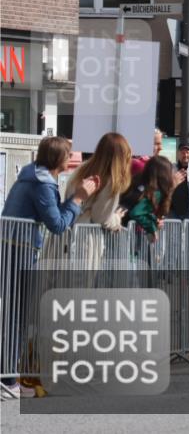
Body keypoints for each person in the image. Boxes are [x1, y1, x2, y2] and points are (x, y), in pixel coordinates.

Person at [1, 137, 99, 398]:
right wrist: (78, 199)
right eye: (69, 155)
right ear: (58, 159)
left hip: (15, 247)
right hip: (19, 251)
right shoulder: (42, 184)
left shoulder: (33, 177)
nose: (72, 159)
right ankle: (7, 380)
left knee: (17, 315)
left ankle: (9, 377)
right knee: (18, 315)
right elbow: (57, 224)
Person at [126, 156, 174, 241]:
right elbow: (136, 212)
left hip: (122, 232)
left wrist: (154, 221)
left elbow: (142, 211)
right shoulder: (154, 192)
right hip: (128, 234)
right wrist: (151, 228)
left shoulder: (137, 183)